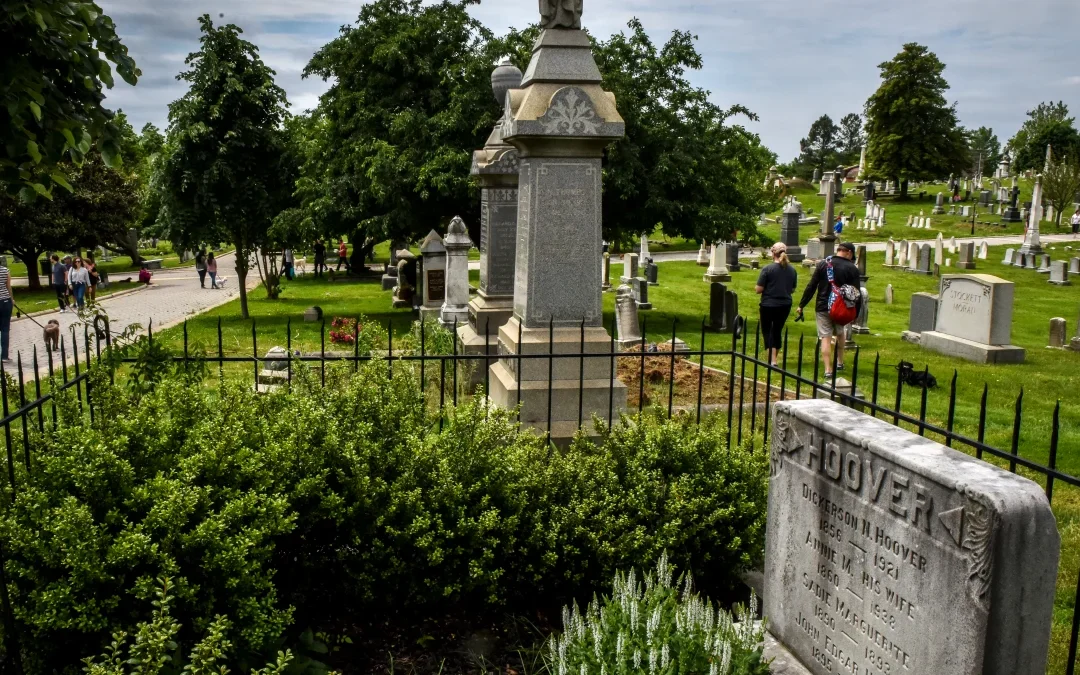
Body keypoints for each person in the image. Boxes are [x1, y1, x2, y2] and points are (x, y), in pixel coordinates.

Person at [795, 242, 860, 381]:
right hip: (842, 307)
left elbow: (811, 286)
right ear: (848, 252)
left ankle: (827, 370)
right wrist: (856, 314)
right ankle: (840, 362)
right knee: (840, 332)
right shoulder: (852, 269)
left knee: (826, 337)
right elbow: (856, 293)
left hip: (823, 306)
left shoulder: (824, 264)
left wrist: (802, 304)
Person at [755, 242, 798, 367]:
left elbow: (759, 289)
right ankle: (773, 358)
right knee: (777, 330)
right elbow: (793, 289)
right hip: (785, 304)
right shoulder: (792, 270)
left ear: (773, 253)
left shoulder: (767, 269)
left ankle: (773, 360)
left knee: (767, 330)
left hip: (768, 304)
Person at [0, 256, 11, 366]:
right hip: (5, 300)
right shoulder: (5, 270)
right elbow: (8, 286)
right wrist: (12, 299)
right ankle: (4, 355)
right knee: (5, 329)